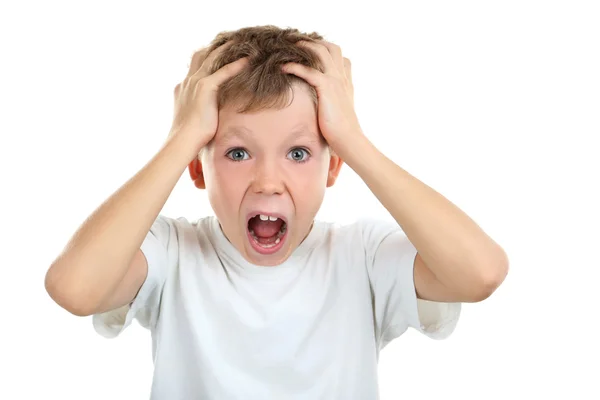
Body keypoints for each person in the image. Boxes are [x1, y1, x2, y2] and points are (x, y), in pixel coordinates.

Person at [45, 25, 508, 399]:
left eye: (299, 153)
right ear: (196, 168)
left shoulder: (362, 257)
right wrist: (182, 138)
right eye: (238, 153)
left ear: (335, 164)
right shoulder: (172, 253)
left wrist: (354, 140)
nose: (268, 181)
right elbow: (74, 288)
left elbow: (481, 272)